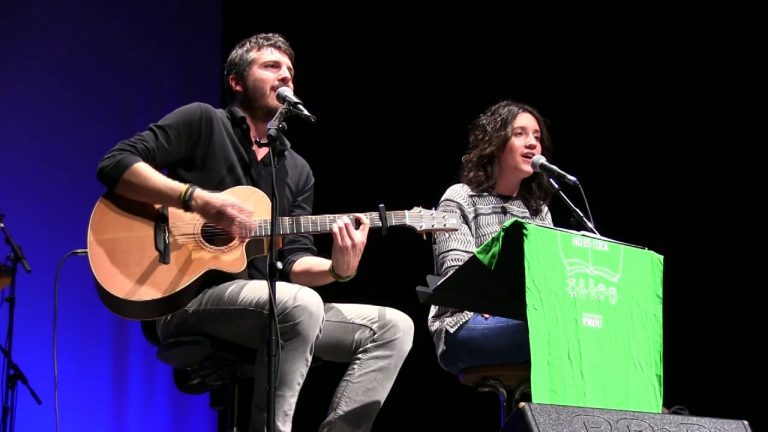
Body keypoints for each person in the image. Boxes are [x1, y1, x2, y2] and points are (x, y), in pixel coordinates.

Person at [96, 33, 414, 432]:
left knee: (393, 327)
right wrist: (199, 200)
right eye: (271, 66)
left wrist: (338, 269)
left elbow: (294, 260)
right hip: (181, 296)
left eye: (290, 71)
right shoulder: (203, 122)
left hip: (269, 304)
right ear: (236, 81)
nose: (285, 76)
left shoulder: (297, 170)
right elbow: (115, 163)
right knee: (301, 304)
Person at [428, 100, 554, 376]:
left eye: (537, 137)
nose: (532, 143)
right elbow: (457, 280)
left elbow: (548, 277)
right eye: (519, 133)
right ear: (495, 143)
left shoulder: (537, 210)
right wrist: (490, 300)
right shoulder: (460, 198)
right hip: (462, 324)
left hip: (526, 316)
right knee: (553, 332)